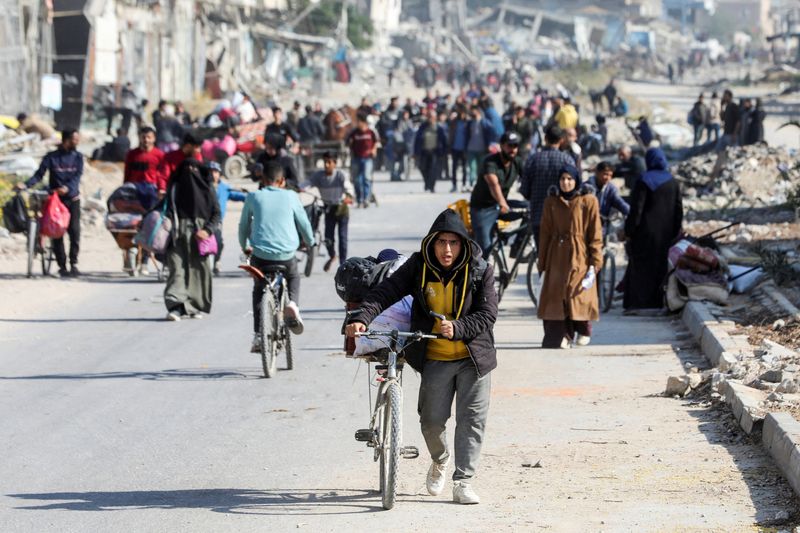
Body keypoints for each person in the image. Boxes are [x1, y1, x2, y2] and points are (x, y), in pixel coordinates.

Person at [345, 208, 498, 505]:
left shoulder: (480, 270)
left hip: (473, 357)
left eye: (454, 243)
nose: (447, 249)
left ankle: (463, 481)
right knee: (430, 421)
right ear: (431, 243)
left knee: (471, 420)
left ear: (463, 244)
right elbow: (385, 292)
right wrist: (363, 317)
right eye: (441, 242)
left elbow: (488, 314)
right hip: (436, 356)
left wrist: (458, 327)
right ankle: (440, 459)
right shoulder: (418, 265)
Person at [239, 161, 315, 351]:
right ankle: (293, 304)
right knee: (293, 276)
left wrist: (245, 246)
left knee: (259, 289)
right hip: (286, 255)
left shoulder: (253, 196)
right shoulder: (291, 196)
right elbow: (304, 224)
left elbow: (243, 227)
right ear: (282, 181)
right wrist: (310, 241)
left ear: (263, 179)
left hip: (260, 255)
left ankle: (258, 335)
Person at [537, 165, 602, 349]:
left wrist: (595, 261)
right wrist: (542, 262)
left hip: (579, 254)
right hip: (556, 255)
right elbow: (545, 233)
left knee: (576, 294)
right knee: (557, 297)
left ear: (576, 180)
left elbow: (595, 233)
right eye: (562, 179)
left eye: (569, 179)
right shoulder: (551, 201)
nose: (565, 183)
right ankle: (562, 335)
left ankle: (583, 329)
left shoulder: (588, 201)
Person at [17, 129, 84, 277]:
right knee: (56, 231)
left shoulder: (78, 157)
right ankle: (62, 266)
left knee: (74, 231)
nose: (77, 142)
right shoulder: (51, 157)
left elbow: (77, 177)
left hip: (72, 199)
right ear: (66, 140)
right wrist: (26, 185)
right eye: (75, 139)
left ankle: (73, 263)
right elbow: (39, 175)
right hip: (55, 200)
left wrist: (67, 188)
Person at [623, 148, 683, 311]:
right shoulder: (672, 182)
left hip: (644, 234)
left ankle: (639, 302)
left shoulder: (644, 180)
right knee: (659, 266)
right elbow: (679, 210)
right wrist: (675, 232)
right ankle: (657, 301)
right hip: (665, 235)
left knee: (641, 267)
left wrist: (629, 230)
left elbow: (637, 210)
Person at [163, 159, 221, 321]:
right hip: (177, 233)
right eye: (186, 168)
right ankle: (175, 306)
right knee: (176, 268)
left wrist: (207, 230)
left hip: (199, 234)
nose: (190, 171)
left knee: (198, 271)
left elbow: (216, 213)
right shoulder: (175, 187)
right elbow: (165, 206)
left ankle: (194, 306)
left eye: (194, 168)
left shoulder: (207, 189)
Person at [520, 125, 575, 249]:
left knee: (543, 256)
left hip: (538, 217)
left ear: (545, 138)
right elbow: (574, 190)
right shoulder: (567, 160)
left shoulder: (533, 160)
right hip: (562, 219)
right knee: (560, 257)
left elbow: (524, 190)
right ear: (561, 140)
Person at [469, 131, 523, 256]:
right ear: (502, 146)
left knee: (530, 216)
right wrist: (503, 204)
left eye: (515, 146)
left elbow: (527, 180)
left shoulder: (517, 162)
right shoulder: (490, 162)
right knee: (484, 248)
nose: (513, 150)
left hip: (501, 206)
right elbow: (494, 185)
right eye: (510, 146)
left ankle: (517, 247)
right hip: (483, 209)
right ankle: (479, 273)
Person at [303, 151, 354, 272]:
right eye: (325, 162)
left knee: (343, 237)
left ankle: (343, 264)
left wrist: (348, 196)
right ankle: (332, 256)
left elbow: (348, 187)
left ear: (335, 163)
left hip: (342, 209)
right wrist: (298, 188)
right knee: (328, 238)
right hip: (329, 210)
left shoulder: (341, 175)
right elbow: (307, 183)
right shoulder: (318, 176)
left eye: (329, 162)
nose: (326, 165)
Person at [209, 161, 247, 275]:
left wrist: (250, 198)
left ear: (219, 174)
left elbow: (236, 195)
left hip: (216, 221)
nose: (212, 174)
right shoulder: (202, 186)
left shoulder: (224, 187)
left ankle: (216, 261)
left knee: (219, 243)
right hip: (203, 219)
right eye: (210, 172)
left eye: (215, 172)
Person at [347, 115, 380, 208]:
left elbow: (376, 142)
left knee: (367, 178)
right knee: (357, 180)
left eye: (359, 122)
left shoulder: (371, 132)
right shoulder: (354, 133)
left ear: (364, 122)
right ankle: (359, 199)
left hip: (367, 158)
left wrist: (374, 150)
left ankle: (366, 198)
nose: (358, 124)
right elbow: (348, 142)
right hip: (356, 158)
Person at [415, 113, 448, 193]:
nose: (431, 119)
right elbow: (417, 140)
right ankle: (427, 183)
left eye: (432, 117)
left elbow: (443, 141)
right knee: (423, 168)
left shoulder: (439, 128)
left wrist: (444, 151)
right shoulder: (423, 127)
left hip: (435, 152)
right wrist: (416, 152)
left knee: (433, 170)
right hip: (424, 151)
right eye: (429, 117)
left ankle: (431, 186)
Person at [465, 106, 493, 192]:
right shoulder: (470, 123)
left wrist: (490, 144)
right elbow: (466, 135)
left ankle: (480, 184)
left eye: (474, 111)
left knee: (481, 168)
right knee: (472, 167)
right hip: (471, 148)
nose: (473, 113)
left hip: (482, 149)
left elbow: (491, 133)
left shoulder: (485, 123)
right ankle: (472, 183)